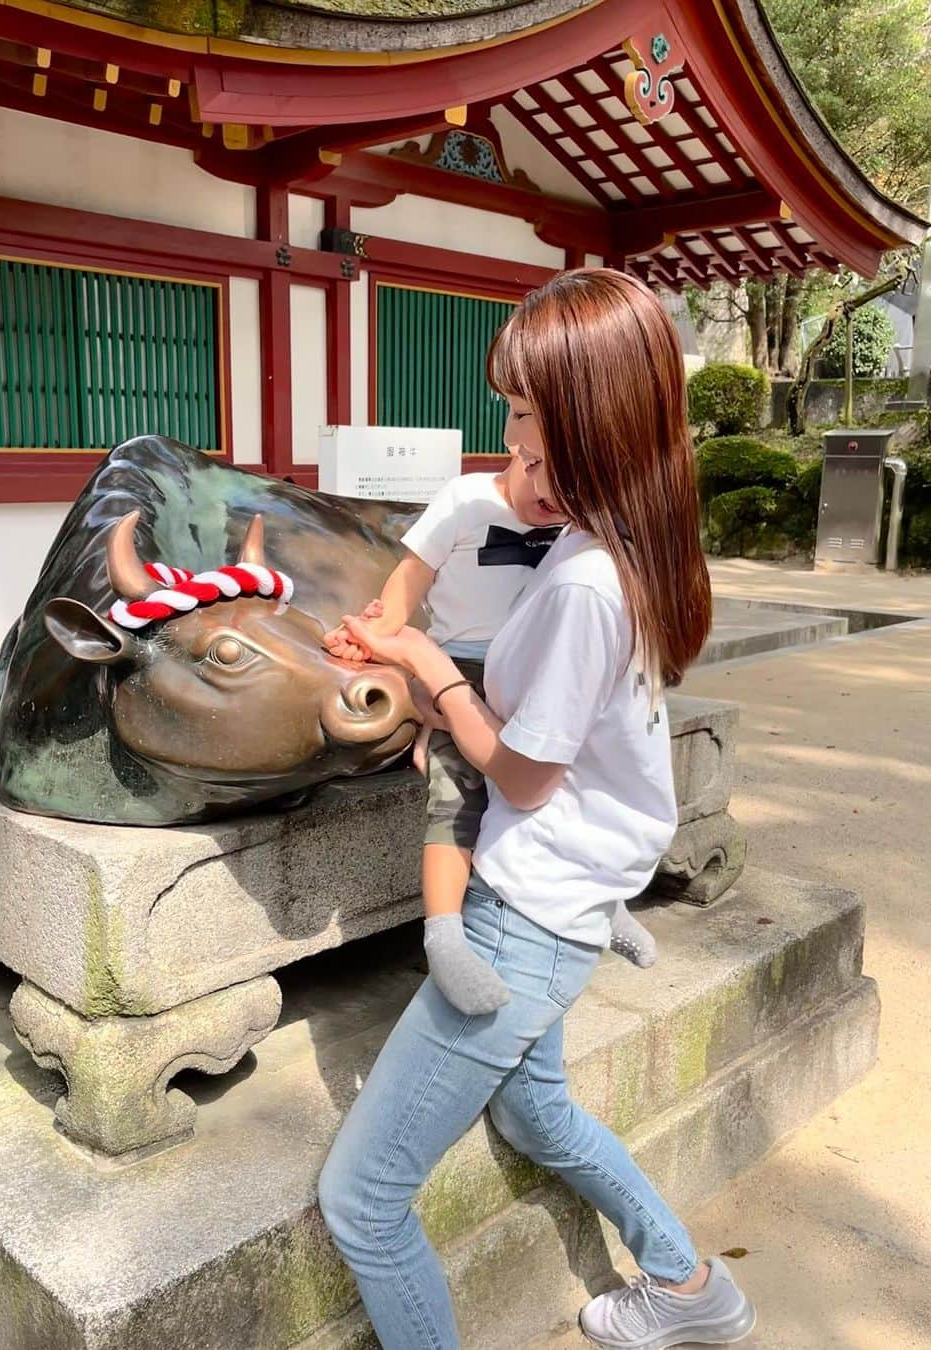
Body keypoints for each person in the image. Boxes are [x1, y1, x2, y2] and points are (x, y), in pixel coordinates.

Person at [317, 268, 756, 1350]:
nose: (509, 437)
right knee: (534, 1109)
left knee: (363, 1203)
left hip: (527, 916)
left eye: (523, 414)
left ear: (590, 424)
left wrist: (424, 661)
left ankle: (690, 1292)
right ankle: (690, 1288)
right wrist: (416, 653)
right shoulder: (620, 549)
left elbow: (520, 776)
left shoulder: (582, 583)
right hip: (570, 895)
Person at [323, 459, 658, 1017]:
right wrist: (377, 634)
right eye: (539, 468)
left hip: (539, 672)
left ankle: (601, 901)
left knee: (565, 790)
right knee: (456, 799)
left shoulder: (578, 524)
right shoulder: (465, 498)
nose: (554, 494)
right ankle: (445, 936)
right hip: (462, 670)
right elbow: (411, 575)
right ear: (518, 456)